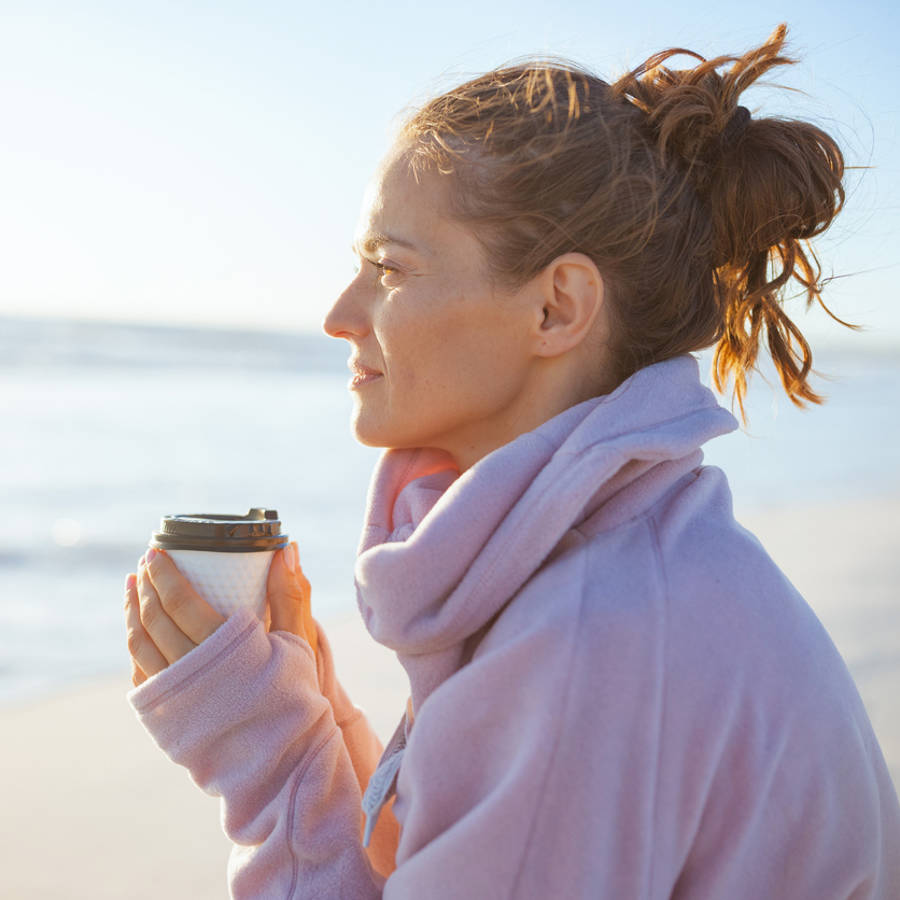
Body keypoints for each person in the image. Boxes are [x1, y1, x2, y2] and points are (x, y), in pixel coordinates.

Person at [123, 24, 900, 898]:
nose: (340, 313)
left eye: (390, 267)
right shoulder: (623, 558)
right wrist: (319, 721)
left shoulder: (589, 642)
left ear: (556, 308)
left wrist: (260, 747)